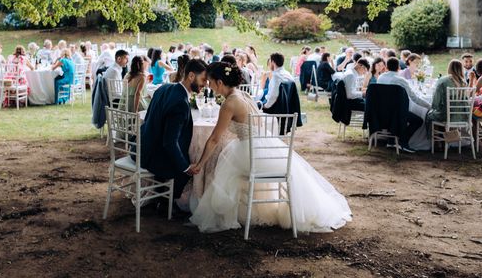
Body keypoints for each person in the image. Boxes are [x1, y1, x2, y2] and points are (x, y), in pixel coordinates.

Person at [189, 62, 352, 233]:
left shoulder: (229, 103)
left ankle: (230, 214)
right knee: (228, 167)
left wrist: (199, 164)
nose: (208, 85)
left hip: (252, 153)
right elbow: (257, 122)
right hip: (266, 147)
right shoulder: (243, 94)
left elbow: (214, 139)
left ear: (219, 82)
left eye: (210, 81)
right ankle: (248, 211)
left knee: (225, 171)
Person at [138, 59, 208, 202]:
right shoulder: (180, 103)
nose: (205, 84)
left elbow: (149, 120)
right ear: (191, 76)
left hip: (142, 147)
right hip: (154, 157)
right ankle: (167, 202)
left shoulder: (163, 88)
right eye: (203, 79)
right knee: (189, 168)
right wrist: (186, 167)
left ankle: (161, 193)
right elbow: (170, 143)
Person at [377, 57, 430, 152]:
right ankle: (403, 142)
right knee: (418, 121)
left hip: (381, 112)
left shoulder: (380, 77)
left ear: (386, 67)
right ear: (398, 67)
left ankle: (391, 141)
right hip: (396, 113)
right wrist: (429, 106)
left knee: (401, 112)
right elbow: (414, 98)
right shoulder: (401, 80)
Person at [425, 59, 467, 136]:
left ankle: (438, 143)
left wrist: (434, 107)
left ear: (449, 68)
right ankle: (447, 140)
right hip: (462, 115)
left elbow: (436, 102)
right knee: (440, 113)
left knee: (429, 115)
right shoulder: (463, 82)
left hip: (447, 115)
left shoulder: (443, 80)